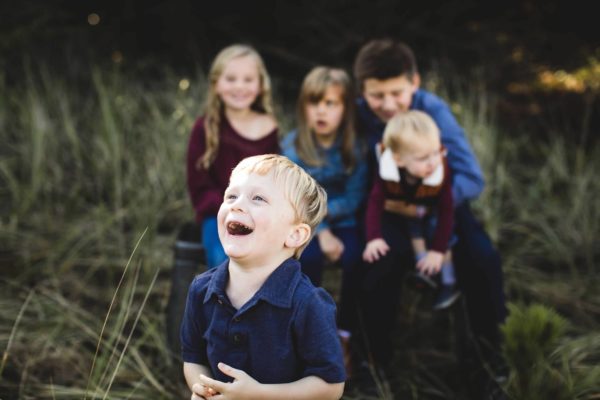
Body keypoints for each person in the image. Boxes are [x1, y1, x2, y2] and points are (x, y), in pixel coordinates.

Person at [352, 38, 507, 388]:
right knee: (378, 261)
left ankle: (486, 363)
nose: (388, 105)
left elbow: (472, 177)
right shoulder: (356, 115)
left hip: (442, 203)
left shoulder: (432, 112)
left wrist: (425, 203)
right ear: (362, 92)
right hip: (384, 206)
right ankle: (373, 364)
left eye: (397, 93)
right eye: (377, 96)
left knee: (482, 258)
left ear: (415, 83)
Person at [180, 154, 346, 400]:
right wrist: (202, 388)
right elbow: (193, 358)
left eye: (258, 198)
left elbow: (330, 386)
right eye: (231, 196)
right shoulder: (201, 290)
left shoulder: (308, 303)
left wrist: (258, 394)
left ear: (295, 236)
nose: (236, 205)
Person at [281, 66, 368, 375]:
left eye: (331, 103)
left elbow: (356, 196)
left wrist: (327, 216)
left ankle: (345, 333)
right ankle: (309, 333)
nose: (321, 111)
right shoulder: (294, 146)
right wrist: (322, 231)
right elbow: (295, 197)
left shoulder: (355, 147)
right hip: (302, 221)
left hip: (343, 218)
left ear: (345, 109)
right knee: (308, 259)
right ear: (303, 106)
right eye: (314, 102)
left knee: (357, 257)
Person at [186, 44, 279, 270]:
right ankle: (225, 305)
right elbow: (199, 186)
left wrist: (259, 210)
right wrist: (233, 208)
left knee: (276, 262)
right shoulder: (205, 128)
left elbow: (276, 181)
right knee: (226, 260)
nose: (239, 86)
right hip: (219, 213)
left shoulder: (270, 127)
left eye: (248, 80)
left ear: (260, 85)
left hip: (262, 213)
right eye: (231, 79)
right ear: (216, 84)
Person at [362, 110, 460, 311]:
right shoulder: (387, 168)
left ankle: (449, 281)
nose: (433, 161)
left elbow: (447, 212)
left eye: (436, 152)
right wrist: (373, 238)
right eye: (423, 157)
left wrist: (438, 251)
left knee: (438, 232)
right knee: (412, 230)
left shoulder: (439, 170)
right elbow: (374, 203)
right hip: (406, 210)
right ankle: (423, 272)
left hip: (430, 208)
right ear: (398, 159)